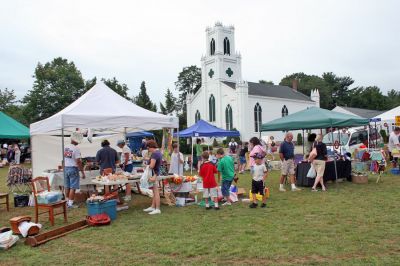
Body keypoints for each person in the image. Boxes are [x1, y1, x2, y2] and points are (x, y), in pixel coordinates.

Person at [64, 137, 85, 208]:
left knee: (67, 186)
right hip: (73, 168)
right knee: (73, 187)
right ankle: (70, 204)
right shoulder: (76, 149)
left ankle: (66, 202)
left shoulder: (65, 147)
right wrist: (82, 172)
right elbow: (78, 161)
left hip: (66, 167)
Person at [143, 140, 163, 215]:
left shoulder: (154, 153)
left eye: (148, 148)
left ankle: (157, 208)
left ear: (150, 147)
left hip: (154, 174)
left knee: (156, 192)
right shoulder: (158, 152)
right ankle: (153, 206)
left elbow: (152, 165)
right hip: (156, 173)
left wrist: (146, 166)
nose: (148, 150)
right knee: (155, 192)